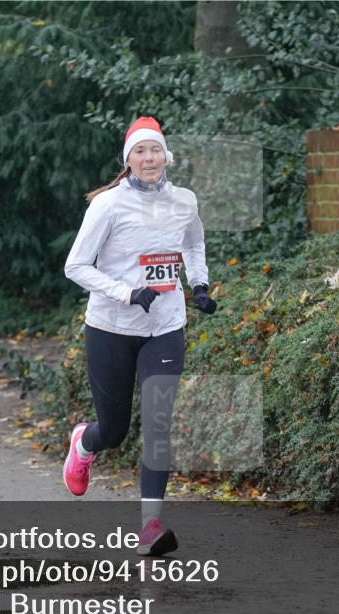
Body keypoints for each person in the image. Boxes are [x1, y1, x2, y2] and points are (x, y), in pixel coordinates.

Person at [62, 116, 217, 557]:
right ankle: (84, 442)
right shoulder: (108, 205)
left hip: (164, 328)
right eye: (140, 152)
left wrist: (199, 285)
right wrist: (127, 293)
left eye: (155, 150)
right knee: (114, 431)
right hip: (111, 328)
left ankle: (150, 526)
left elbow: (193, 244)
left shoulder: (184, 200)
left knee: (158, 424)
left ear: (167, 156)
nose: (149, 158)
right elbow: (75, 266)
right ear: (128, 160)